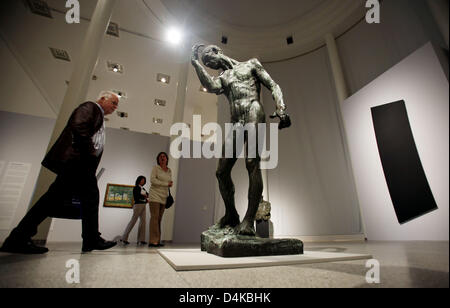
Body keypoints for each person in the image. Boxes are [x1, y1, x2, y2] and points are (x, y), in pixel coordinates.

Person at [0, 91, 120, 254]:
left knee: (55, 200)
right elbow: (78, 126)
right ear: (102, 98)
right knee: (83, 198)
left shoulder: (97, 114)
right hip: (78, 162)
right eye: (113, 102)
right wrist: (90, 152)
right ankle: (91, 239)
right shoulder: (90, 107)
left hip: (81, 164)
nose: (115, 107)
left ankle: (18, 238)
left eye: (116, 104)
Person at [191, 44, 291, 236]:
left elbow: (273, 85)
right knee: (221, 172)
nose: (209, 63)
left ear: (217, 51)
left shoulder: (251, 64)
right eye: (206, 63)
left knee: (252, 162)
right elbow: (211, 86)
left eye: (208, 58)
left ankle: (248, 220)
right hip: (236, 120)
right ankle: (231, 214)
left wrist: (281, 108)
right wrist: (196, 64)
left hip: (254, 110)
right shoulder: (223, 77)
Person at [148, 152, 172, 247]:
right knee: (154, 218)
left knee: (159, 219)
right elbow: (153, 180)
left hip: (163, 196)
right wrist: (166, 184)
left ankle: (157, 240)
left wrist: (169, 184)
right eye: (160, 157)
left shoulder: (169, 170)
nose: (162, 158)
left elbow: (169, 181)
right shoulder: (155, 168)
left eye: (164, 156)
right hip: (154, 195)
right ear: (158, 159)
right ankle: (153, 241)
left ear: (166, 159)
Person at [120, 176, 148, 246]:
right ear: (138, 180)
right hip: (138, 205)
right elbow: (136, 197)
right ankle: (124, 238)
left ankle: (141, 240)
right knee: (133, 221)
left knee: (143, 222)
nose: (143, 181)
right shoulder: (136, 188)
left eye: (144, 180)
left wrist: (146, 197)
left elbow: (147, 195)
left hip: (143, 205)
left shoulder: (143, 188)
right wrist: (144, 196)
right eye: (142, 180)